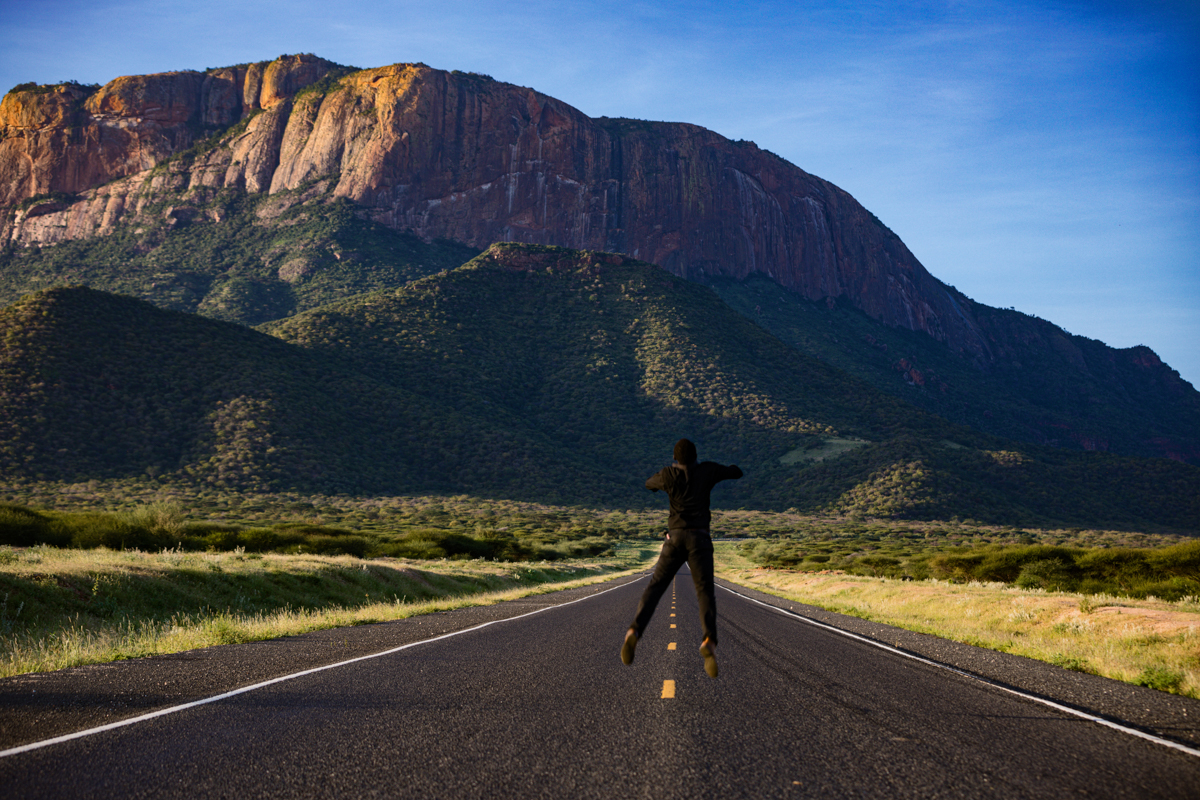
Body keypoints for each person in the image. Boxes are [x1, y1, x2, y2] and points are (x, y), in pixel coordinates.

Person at [621, 438, 743, 678]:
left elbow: (648, 484)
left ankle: (634, 631)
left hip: (674, 539)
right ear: (696, 456)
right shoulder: (707, 470)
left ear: (675, 458)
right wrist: (722, 469)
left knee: (655, 587)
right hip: (700, 539)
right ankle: (708, 640)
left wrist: (661, 482)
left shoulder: (667, 474)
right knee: (704, 591)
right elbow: (736, 472)